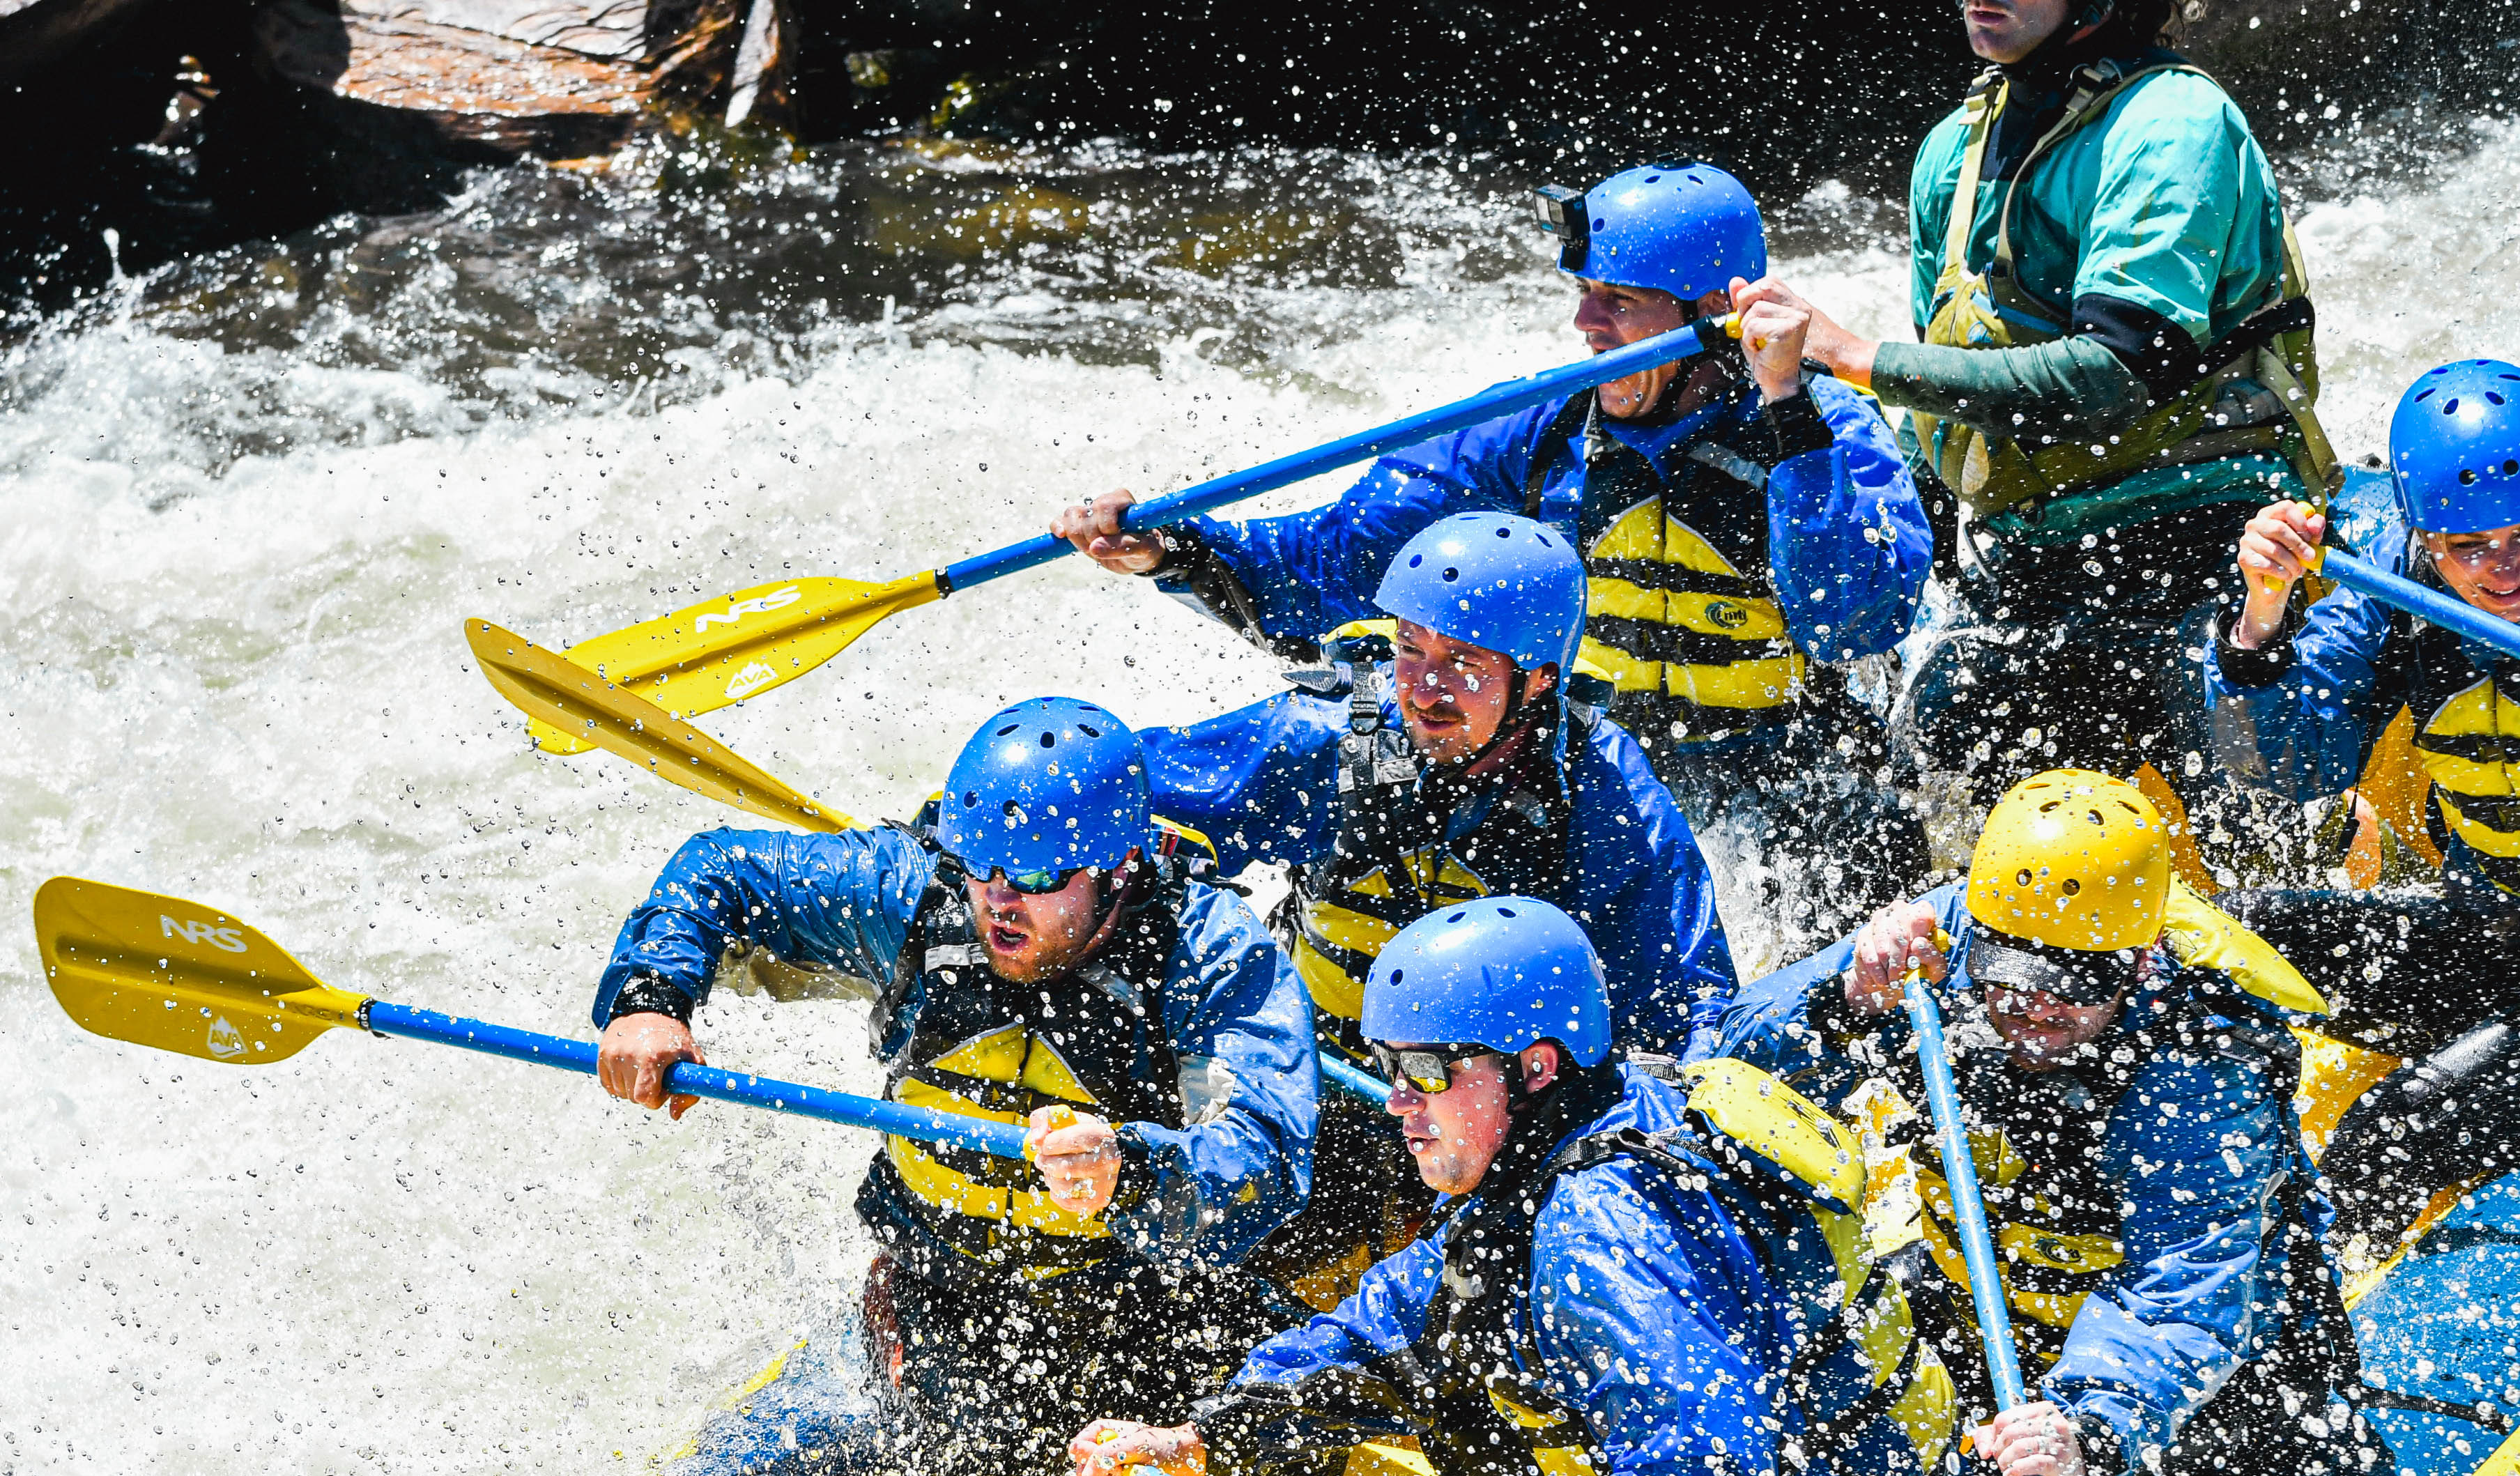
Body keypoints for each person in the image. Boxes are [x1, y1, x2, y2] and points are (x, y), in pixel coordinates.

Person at [1072, 898, 2005, 1476]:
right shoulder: (1583, 1136)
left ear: (1534, 1067)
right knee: (1443, 1388)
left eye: (1427, 1070)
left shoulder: (1600, 1233)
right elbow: (1388, 1327)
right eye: (1387, 1067)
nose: (1398, 1103)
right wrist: (1198, 1432)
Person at [572, 696, 1320, 1476]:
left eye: (1038, 879)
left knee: (1296, 1409)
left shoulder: (1207, 951)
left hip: (1136, 1294)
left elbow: (1268, 1157)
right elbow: (722, 871)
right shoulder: (912, 894)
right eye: (981, 867)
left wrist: (1134, 1170)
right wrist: (651, 997)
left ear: (1120, 868)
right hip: (952, 1302)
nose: (999, 902)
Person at [1056, 162, 1933, 962]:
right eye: (1584, 294)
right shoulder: (1542, 428)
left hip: (1787, 791)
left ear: (1714, 312)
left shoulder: (1823, 426)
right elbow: (1333, 565)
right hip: (1593, 778)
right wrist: (1175, 550)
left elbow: (1854, 620)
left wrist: (1786, 407)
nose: (1585, 324)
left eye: (1619, 301)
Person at [1714, 769, 2399, 1476]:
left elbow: (2182, 1290)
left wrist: (2089, 1429)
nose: (2034, 1014)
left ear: (2139, 963)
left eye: (2072, 993)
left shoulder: (2201, 1067)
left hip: (2205, 1385)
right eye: (2013, 980)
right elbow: (1726, 1075)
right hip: (1990, 1314)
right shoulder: (1941, 942)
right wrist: (1841, 999)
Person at [1732, 0, 2337, 850]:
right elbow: (1951, 392)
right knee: (1901, 814)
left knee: (2258, 852)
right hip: (2029, 559)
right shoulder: (1953, 150)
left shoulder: (2174, 123)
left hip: (2206, 546)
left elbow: (2113, 376)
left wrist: (1856, 356)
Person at [1135, 510, 1734, 1305]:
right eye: (1410, 648)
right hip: (1317, 1075)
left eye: (1463, 662)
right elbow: (1116, 794)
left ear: (1538, 679)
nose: (1422, 689)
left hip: (1484, 1112)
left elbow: (1684, 1020)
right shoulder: (1330, 739)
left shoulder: (1609, 803)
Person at [2208, 360, 2520, 1263]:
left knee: (2393, 1132)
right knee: (2224, 945)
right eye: (2471, 546)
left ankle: (2330, 1308)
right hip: (2495, 934)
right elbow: (2289, 765)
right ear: (2426, 538)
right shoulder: (2399, 582)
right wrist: (2260, 622)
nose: (2504, 569)